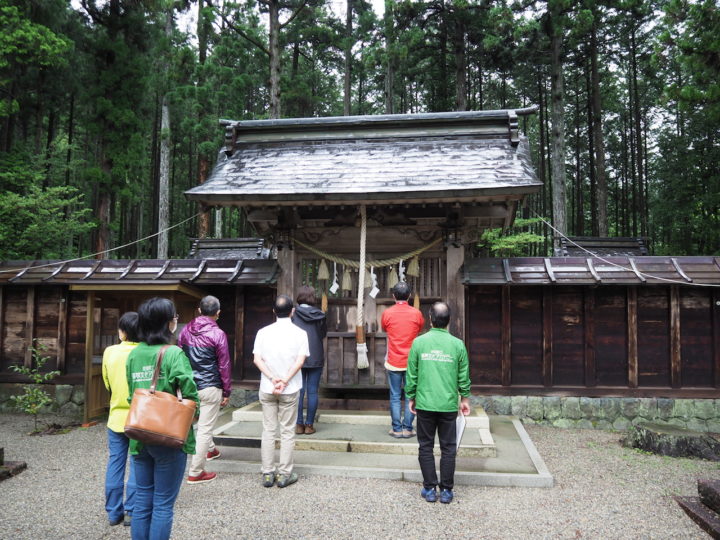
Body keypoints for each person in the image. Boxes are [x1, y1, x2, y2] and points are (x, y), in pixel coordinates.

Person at [126, 298, 199, 540]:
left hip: (139, 434)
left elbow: (131, 393)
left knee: (143, 500)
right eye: (174, 317)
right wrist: (193, 416)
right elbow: (189, 392)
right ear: (167, 323)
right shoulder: (173, 353)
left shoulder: (134, 354)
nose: (175, 320)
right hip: (168, 436)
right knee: (163, 504)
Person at [406, 301, 471, 505]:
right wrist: (465, 398)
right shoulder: (457, 345)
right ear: (448, 320)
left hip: (425, 402)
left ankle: (429, 488)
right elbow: (463, 375)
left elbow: (412, 373)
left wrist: (411, 396)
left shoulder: (419, 343)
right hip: (448, 403)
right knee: (448, 447)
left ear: (430, 319)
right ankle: (446, 491)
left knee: (425, 446)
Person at [253, 294, 309, 488]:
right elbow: (300, 361)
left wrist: (272, 378)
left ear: (274, 311)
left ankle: (267, 473)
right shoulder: (300, 333)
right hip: (290, 388)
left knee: (268, 430)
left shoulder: (262, 332)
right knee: (287, 431)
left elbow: (257, 359)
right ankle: (284, 473)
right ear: (292, 311)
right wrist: (284, 380)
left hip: (268, 387)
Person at [177, 295, 231, 484]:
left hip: (189, 386)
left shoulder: (184, 332)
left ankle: (211, 450)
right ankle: (196, 471)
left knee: (201, 425)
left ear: (199, 310)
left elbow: (179, 358)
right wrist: (226, 391)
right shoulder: (218, 334)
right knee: (205, 429)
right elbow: (224, 365)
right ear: (218, 313)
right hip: (210, 386)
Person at [102, 311, 140, 528]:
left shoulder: (110, 351)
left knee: (115, 463)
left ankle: (113, 512)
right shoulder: (145, 352)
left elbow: (107, 383)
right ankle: (131, 512)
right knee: (137, 463)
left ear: (123, 332)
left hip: (116, 416)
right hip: (140, 418)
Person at [381, 281, 424, 438]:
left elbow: (385, 328)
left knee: (395, 395)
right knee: (411, 395)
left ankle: (396, 429)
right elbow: (419, 329)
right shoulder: (416, 314)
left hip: (393, 360)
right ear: (409, 296)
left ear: (393, 296)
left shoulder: (387, 313)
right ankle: (408, 428)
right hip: (412, 361)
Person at [291, 285, 327, 435]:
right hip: (315, 354)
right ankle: (309, 425)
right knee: (312, 391)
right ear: (313, 297)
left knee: (299, 390)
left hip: (297, 355)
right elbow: (322, 334)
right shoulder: (320, 315)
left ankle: (298, 424)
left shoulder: (292, 313)